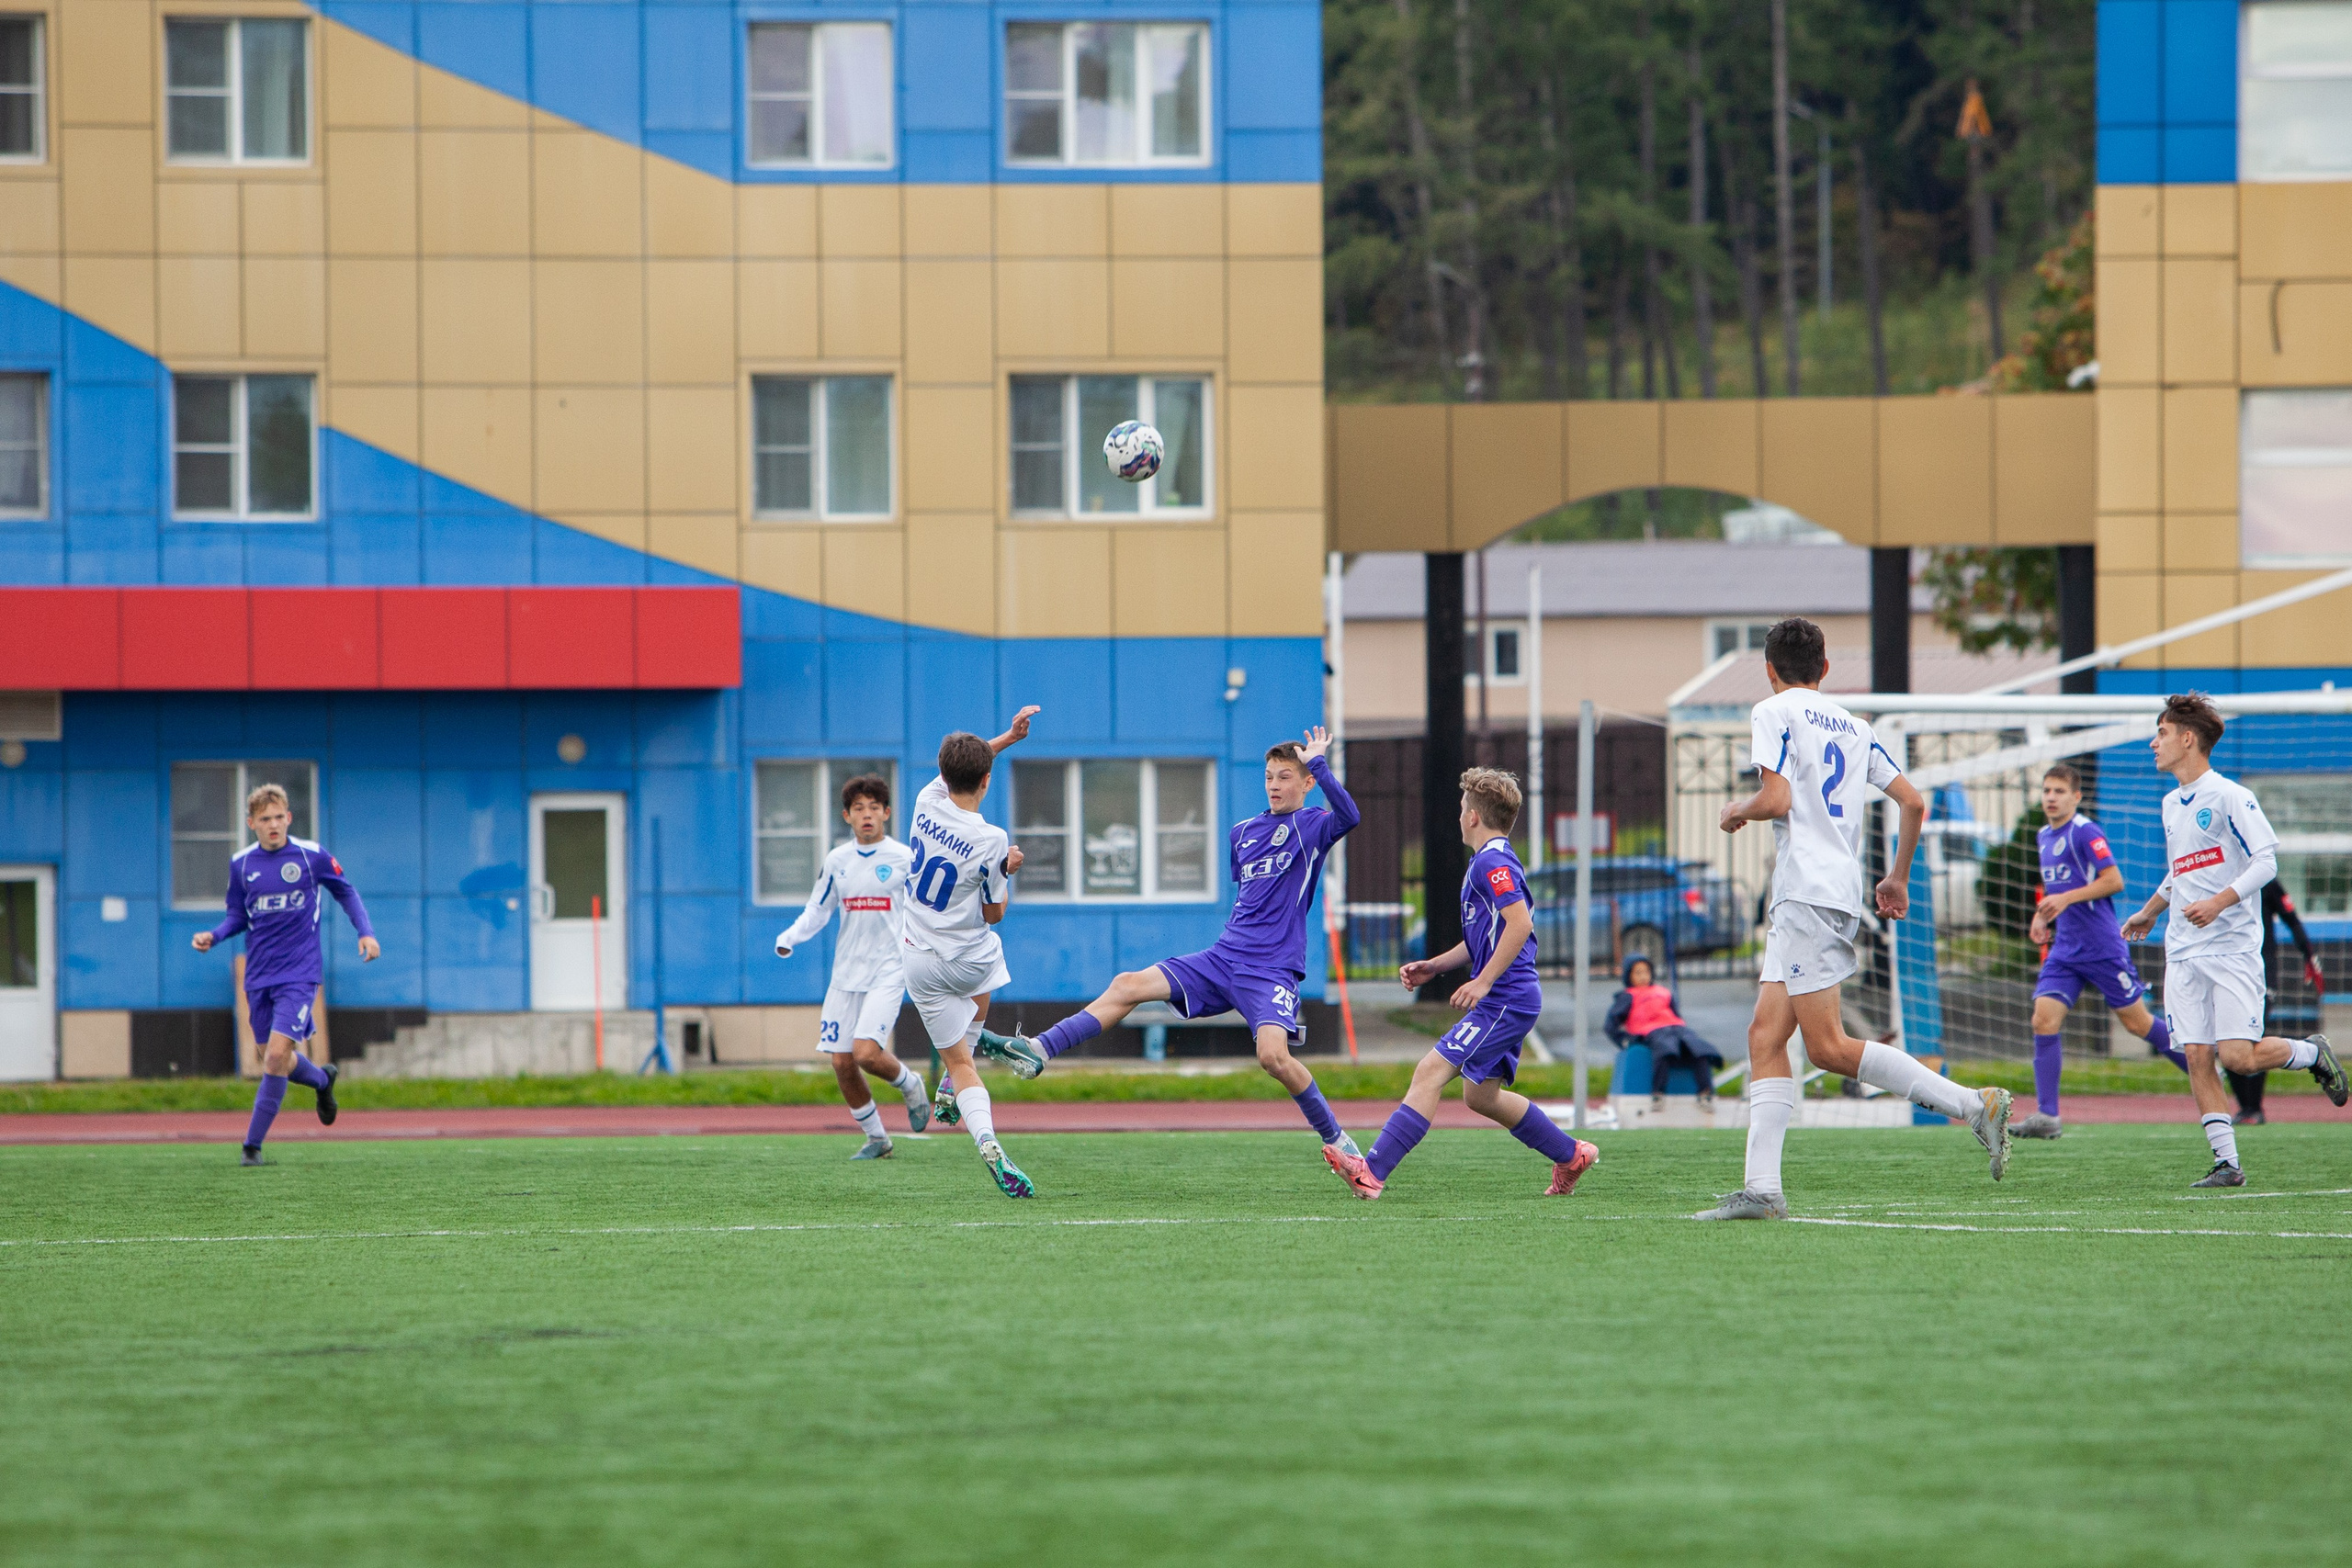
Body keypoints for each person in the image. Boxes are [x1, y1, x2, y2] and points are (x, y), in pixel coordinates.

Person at [1696, 617, 2014, 1222]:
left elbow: (1777, 799)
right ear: (1825, 670)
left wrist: (1737, 810)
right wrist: (1897, 876)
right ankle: (1762, 1190)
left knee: (1828, 1048)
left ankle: (1976, 1104)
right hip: (1825, 891)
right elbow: (1914, 801)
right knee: (1765, 1036)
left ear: (1769, 670)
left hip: (1806, 893)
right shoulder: (1852, 724)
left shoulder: (1774, 712)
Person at [976, 728, 1368, 1170]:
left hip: (1271, 970)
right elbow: (1250, 900)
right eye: (1268, 777)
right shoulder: (1243, 832)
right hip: (1223, 959)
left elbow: (1350, 816)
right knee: (1127, 985)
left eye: (1284, 777)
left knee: (1273, 1056)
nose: (1274, 785)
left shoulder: (1313, 825)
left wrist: (1318, 760)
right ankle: (1038, 1050)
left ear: (1306, 783)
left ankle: (1340, 1140)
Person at [1324, 768, 1599, 1200]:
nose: (1458, 816)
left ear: (1473, 817)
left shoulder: (1492, 860)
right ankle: (1570, 1154)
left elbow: (1519, 925)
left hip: (1506, 998)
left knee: (1430, 1071)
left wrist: (1485, 983)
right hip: (1513, 997)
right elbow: (1485, 939)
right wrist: (1434, 966)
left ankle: (1372, 1171)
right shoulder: (1489, 859)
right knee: (1481, 1097)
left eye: (1460, 809)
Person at [2118, 693, 2345, 1188]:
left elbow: (2266, 862)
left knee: (2237, 1056)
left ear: (2187, 738)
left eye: (2160, 733)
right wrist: (2150, 911)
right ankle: (2228, 1164)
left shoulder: (2230, 796)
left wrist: (2220, 902)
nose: (2152, 743)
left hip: (2233, 948)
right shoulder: (2169, 804)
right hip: (2182, 948)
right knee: (2196, 1054)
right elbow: (2181, 872)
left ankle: (2310, 1053)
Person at [191, 784, 379, 1166]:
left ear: (289, 818)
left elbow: (347, 891)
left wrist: (366, 932)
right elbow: (236, 917)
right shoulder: (241, 864)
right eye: (265, 819)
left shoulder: (311, 857)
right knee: (273, 1059)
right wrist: (215, 935)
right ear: (251, 824)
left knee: (276, 1056)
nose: (273, 825)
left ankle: (251, 1147)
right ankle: (323, 1082)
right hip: (258, 976)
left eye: (279, 817)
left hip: (300, 972)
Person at [900, 707, 1038, 1198]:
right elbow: (995, 912)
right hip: (968, 958)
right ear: (986, 780)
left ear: (943, 771)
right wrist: (1009, 866)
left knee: (959, 1063)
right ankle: (970, 1051)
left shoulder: (923, 799)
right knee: (988, 965)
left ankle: (984, 1138)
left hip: (916, 957)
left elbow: (962, 769)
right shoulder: (991, 838)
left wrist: (1005, 739)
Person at [2013, 761, 2187, 1139]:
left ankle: (2205, 1068)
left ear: (2076, 797)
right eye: (2046, 791)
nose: (2051, 798)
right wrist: (2043, 916)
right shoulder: (2044, 835)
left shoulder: (2085, 831)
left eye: (2060, 792)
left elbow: (2113, 880)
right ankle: (2048, 1116)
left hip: (2102, 946)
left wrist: (2064, 899)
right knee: (2043, 1019)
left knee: (2138, 1024)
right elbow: (2056, 891)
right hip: (2065, 950)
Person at [774, 773, 932, 1159]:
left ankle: (911, 1084)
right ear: (846, 816)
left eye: (874, 808)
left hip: (889, 970)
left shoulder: (904, 858)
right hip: (846, 974)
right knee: (842, 1062)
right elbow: (818, 908)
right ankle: (877, 1139)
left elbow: (928, 908)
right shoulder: (837, 861)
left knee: (865, 1054)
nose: (866, 815)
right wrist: (789, 938)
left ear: (886, 813)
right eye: (858, 808)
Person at [2224, 880, 2324, 1126]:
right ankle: (2244, 1107)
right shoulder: (2218, 875)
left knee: (2253, 1035)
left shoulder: (2264, 879)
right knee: (2224, 1038)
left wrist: (2309, 955)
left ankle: (2255, 1108)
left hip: (2261, 972)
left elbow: (2292, 919)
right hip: (2226, 971)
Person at [1605, 954, 1724, 1111]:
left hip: (1676, 1028)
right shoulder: (1628, 996)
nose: (1643, 977)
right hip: (1651, 1031)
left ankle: (1705, 1093)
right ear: (1629, 976)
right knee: (1666, 1049)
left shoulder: (1663, 992)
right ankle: (1658, 1093)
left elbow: (1675, 1015)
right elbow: (1611, 1024)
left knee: (1699, 1050)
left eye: (1646, 972)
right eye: (1637, 973)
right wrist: (1625, 1040)